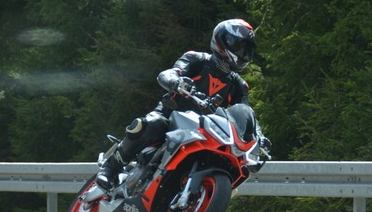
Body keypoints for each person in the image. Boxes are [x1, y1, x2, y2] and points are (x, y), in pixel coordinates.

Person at [96, 18, 270, 190]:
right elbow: (167, 74)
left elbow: (246, 113)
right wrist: (177, 82)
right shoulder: (197, 59)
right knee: (149, 125)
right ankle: (111, 168)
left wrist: (258, 137)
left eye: (246, 49)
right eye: (239, 47)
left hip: (203, 133)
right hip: (170, 117)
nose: (242, 53)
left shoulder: (238, 85)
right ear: (223, 41)